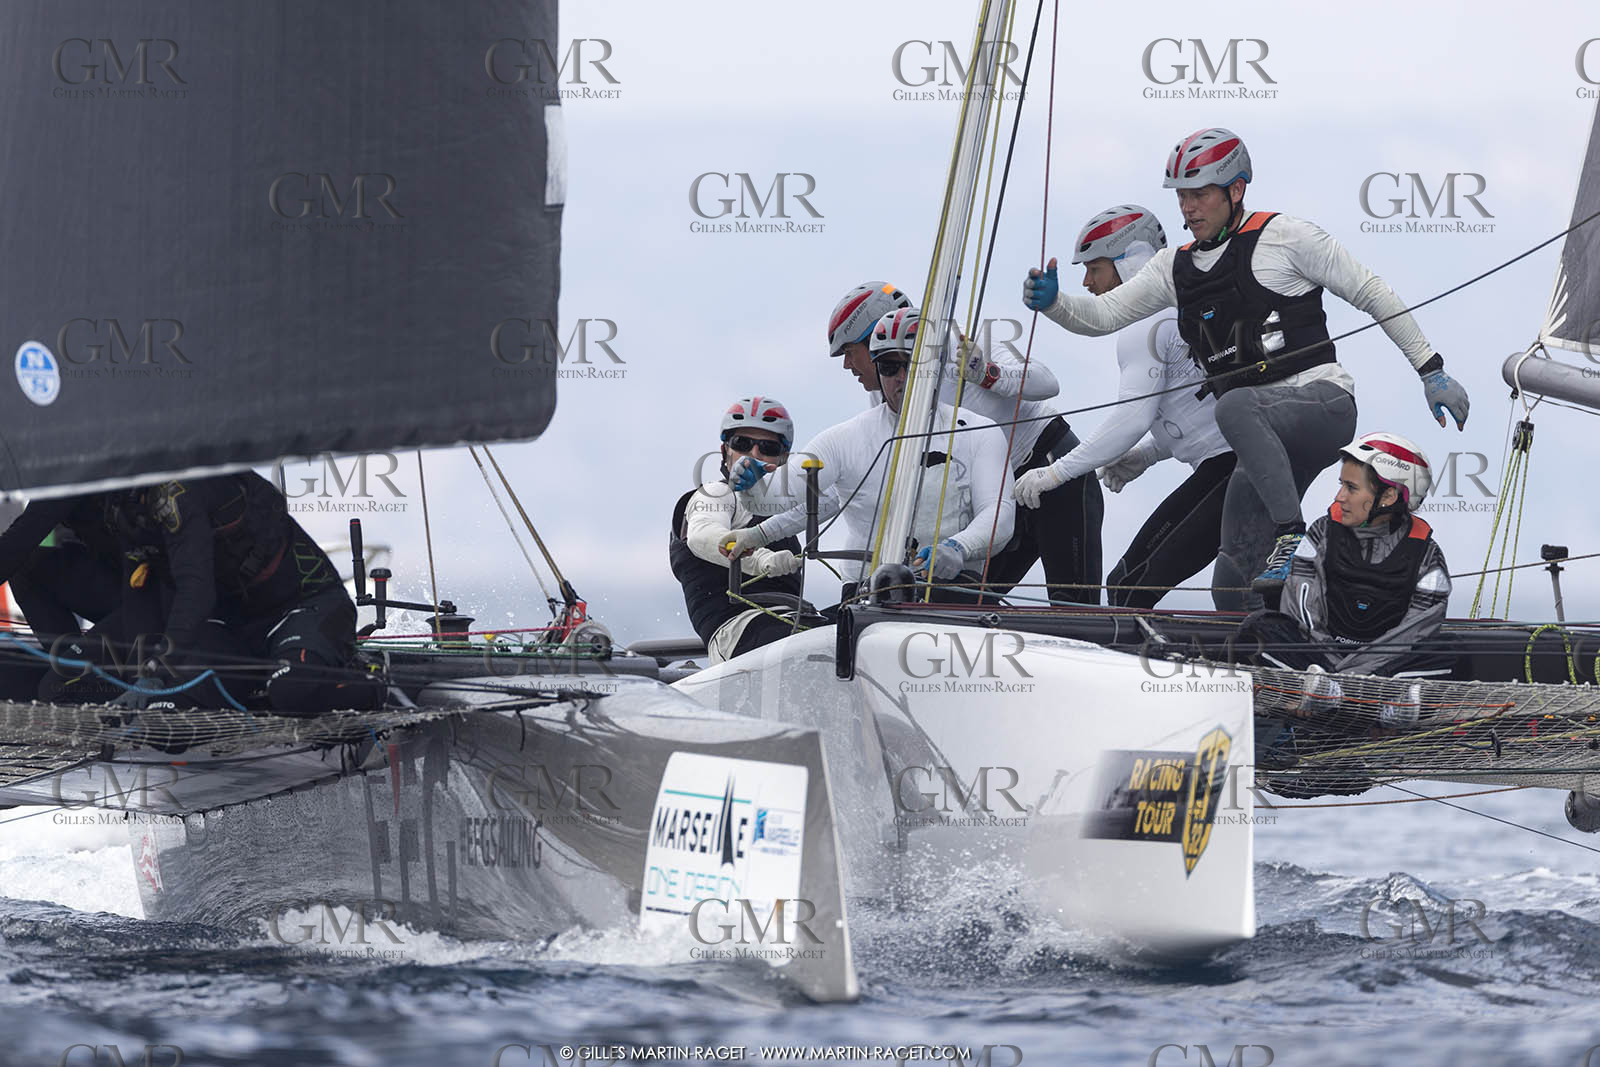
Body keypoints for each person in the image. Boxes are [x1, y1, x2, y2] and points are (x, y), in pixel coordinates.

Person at [1023, 127, 1470, 611]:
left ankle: (1291, 534)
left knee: (1234, 407)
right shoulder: (1173, 268)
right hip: (1258, 443)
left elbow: (1371, 292)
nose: (1189, 208)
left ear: (1235, 190)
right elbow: (1102, 316)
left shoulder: (1287, 237)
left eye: (1200, 195)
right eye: (1182, 197)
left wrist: (1431, 370)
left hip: (1321, 406)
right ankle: (1280, 667)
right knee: (1233, 584)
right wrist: (1055, 305)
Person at [1014, 205, 1235, 609]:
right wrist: (1148, 455)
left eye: (1094, 268)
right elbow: (1202, 408)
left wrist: (1057, 472)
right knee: (1222, 595)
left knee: (1128, 588)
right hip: (1237, 463)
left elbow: (1132, 417)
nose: (1087, 282)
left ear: (1130, 263)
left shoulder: (1145, 324)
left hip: (1230, 468)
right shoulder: (1176, 309)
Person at [828, 280, 1102, 603]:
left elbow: (1047, 381)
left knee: (1074, 609)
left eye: (849, 352)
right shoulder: (885, 398)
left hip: (1052, 472)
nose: (847, 365)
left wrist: (988, 374)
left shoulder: (961, 341)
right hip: (1002, 496)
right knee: (962, 603)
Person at [729, 308, 1015, 596]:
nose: (901, 377)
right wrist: (751, 489)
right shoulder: (844, 439)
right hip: (867, 595)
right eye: (889, 367)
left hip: (955, 588)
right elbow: (777, 496)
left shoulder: (981, 431)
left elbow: (999, 513)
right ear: (878, 370)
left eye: (912, 364)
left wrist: (958, 547)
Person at [97, 472, 385, 715]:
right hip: (236, 631)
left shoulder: (181, 492)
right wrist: (139, 678)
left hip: (305, 605)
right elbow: (137, 594)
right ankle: (257, 694)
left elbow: (195, 591)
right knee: (166, 710)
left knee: (291, 692)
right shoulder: (124, 508)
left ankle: (373, 682)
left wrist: (158, 669)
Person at [1239, 432, 1453, 721]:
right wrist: (1328, 676)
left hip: (1380, 671)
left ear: (1389, 496)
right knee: (1258, 627)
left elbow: (1413, 632)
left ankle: (1338, 699)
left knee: (1449, 650)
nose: (1340, 496)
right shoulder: (1322, 532)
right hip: (1318, 660)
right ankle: (1373, 708)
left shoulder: (1428, 555)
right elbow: (1302, 612)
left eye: (1351, 488)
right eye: (1341, 485)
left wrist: (1343, 682)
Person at [669, 396, 816, 663]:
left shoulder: (782, 513)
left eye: (768, 447)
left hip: (794, 625)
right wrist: (762, 560)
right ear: (725, 451)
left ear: (784, 460)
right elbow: (702, 535)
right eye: (742, 444)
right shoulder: (715, 495)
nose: (754, 455)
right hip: (738, 633)